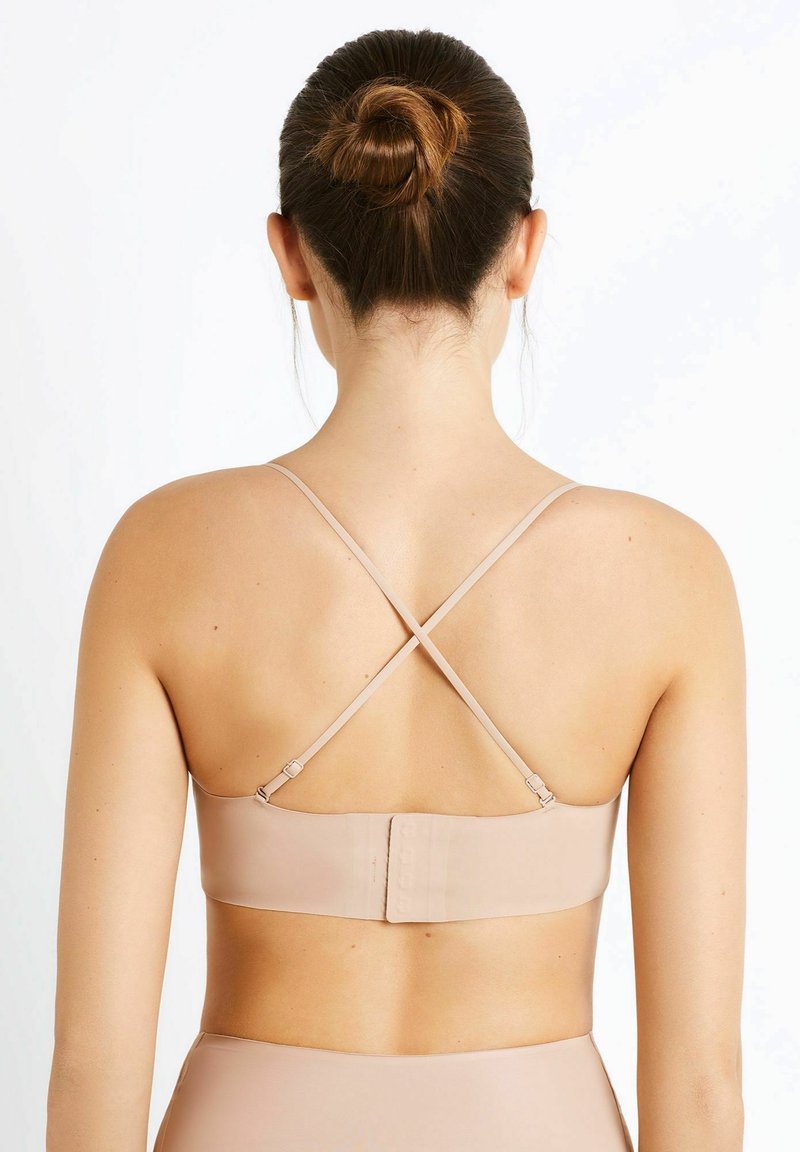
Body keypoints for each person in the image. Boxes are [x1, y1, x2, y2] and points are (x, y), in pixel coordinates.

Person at [46, 28, 746, 1152]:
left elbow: (92, 1066)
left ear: (289, 254)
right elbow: (701, 1087)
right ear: (523, 248)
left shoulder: (165, 554)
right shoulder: (665, 574)